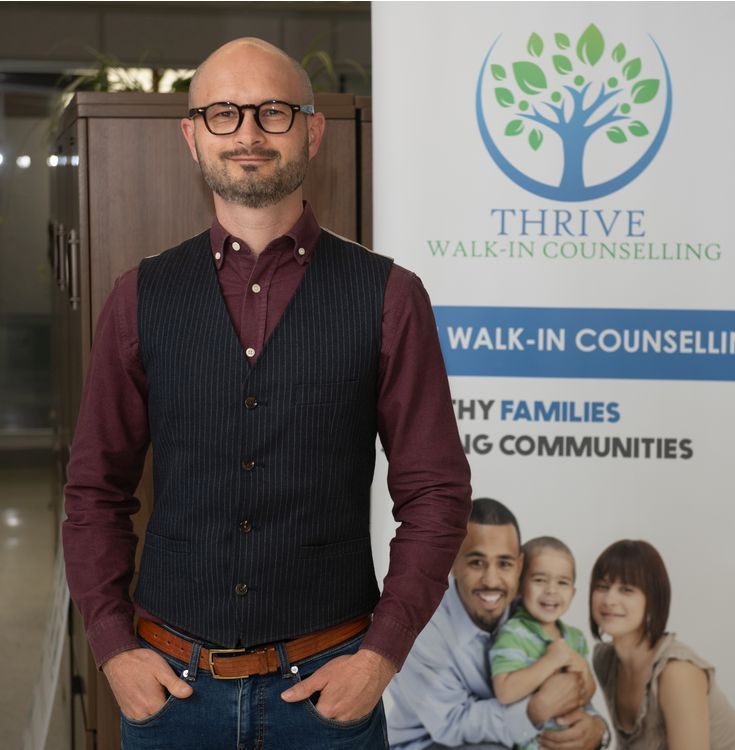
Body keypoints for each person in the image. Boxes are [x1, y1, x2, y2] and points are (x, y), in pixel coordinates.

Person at [61, 37, 471, 749]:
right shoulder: (140, 297)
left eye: (272, 112)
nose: (248, 133)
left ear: (312, 130)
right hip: (169, 695)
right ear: (192, 137)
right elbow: (94, 490)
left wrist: (380, 657)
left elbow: (436, 494)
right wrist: (111, 648)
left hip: (327, 700)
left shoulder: (389, 297)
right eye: (223, 113)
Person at [387, 498, 609, 750]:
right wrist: (536, 709)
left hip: (516, 737)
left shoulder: (529, 608)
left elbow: (564, 681)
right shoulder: (419, 627)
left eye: (504, 563)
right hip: (431, 744)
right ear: (452, 564)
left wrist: (595, 726)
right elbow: (452, 723)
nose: (491, 580)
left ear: (520, 566)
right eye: (476, 562)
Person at [589, 540, 735, 750]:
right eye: (602, 587)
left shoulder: (676, 671)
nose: (609, 599)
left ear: (652, 600)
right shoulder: (605, 660)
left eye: (626, 589)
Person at [490, 536, 597, 750]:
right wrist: (550, 661)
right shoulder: (513, 633)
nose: (551, 590)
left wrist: (583, 668)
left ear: (573, 593)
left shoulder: (576, 638)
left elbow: (588, 693)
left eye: (562, 582)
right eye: (539, 580)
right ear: (519, 586)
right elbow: (504, 692)